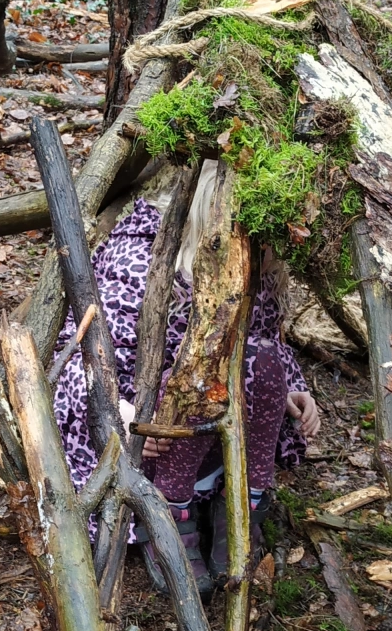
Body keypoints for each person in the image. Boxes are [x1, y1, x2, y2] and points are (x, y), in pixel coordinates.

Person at [52, 161, 321, 595]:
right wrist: (120, 411)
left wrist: (291, 386)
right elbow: (79, 350)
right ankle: (171, 511)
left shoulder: (256, 264)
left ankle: (240, 504)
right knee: (197, 372)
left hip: (216, 434)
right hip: (155, 432)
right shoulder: (140, 262)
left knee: (260, 364)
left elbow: (266, 336)